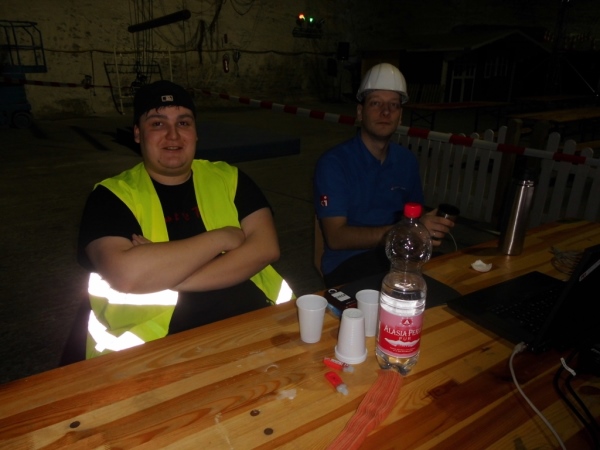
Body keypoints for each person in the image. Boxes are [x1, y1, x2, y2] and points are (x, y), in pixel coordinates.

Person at [74, 80, 292, 360]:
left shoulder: (229, 178)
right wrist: (223, 237)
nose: (173, 135)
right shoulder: (112, 196)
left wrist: (162, 273)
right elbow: (126, 275)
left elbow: (266, 248)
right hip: (154, 350)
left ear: (196, 132)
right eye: (158, 123)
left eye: (184, 123)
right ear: (138, 133)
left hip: (256, 325)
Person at [313, 63, 454, 288]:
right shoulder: (334, 163)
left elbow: (416, 215)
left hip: (402, 256)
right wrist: (408, 231)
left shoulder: (406, 161)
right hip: (349, 263)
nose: (386, 112)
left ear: (400, 116)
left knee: (454, 282)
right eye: (376, 103)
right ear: (360, 112)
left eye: (394, 105)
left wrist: (428, 226)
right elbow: (336, 238)